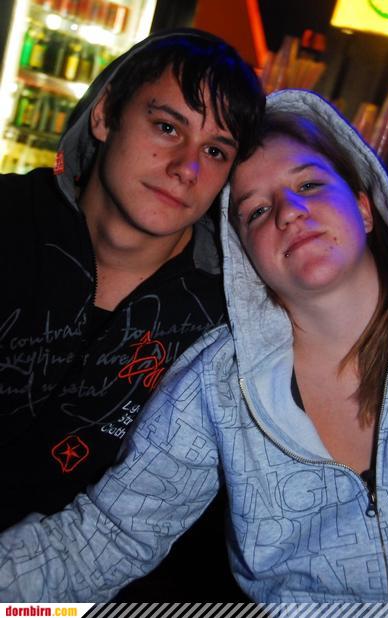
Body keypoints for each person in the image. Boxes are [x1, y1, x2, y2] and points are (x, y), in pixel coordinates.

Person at [1, 88, 388, 603]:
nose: (288, 212)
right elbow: (107, 540)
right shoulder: (215, 384)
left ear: (364, 208)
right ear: (244, 257)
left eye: (308, 184)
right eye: (256, 211)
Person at [0, 28, 264, 600]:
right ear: (104, 116)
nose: (186, 167)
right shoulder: (10, 221)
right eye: (167, 127)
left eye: (215, 151)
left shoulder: (223, 325)